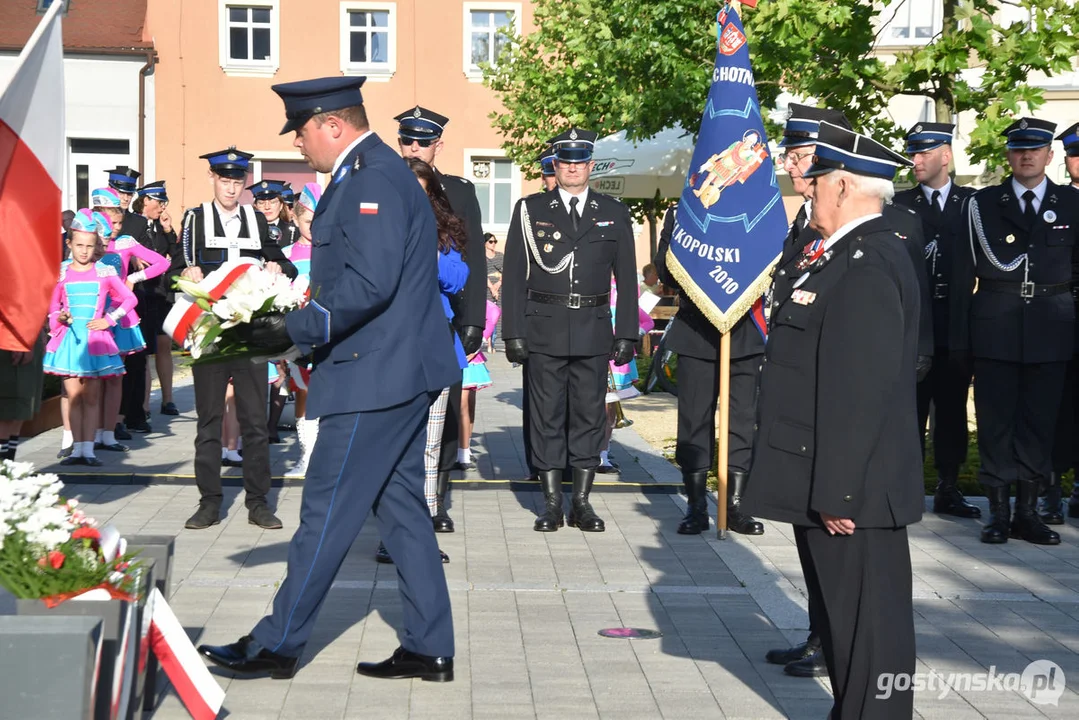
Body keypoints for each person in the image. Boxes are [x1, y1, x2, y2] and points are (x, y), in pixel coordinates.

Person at [198, 76, 459, 682]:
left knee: (325, 508)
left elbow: (370, 283)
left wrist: (297, 327)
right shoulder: (368, 172)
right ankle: (429, 646)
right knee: (401, 512)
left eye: (302, 131)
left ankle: (277, 644)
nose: (300, 143)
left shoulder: (369, 177)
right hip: (394, 369)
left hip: (377, 376)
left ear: (332, 125)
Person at [742, 121, 923, 720]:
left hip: (855, 494)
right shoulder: (841, 255)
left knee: (872, 637)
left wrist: (838, 490)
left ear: (843, 186)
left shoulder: (867, 262)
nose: (808, 192)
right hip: (832, 482)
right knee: (848, 632)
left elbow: (860, 392)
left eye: (816, 182)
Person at [502, 127, 637, 533]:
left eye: (579, 163)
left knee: (588, 417)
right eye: (565, 162)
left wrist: (626, 332)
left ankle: (581, 501)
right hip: (543, 327)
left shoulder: (613, 211)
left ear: (590, 167)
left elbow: (627, 279)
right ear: (555, 167)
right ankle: (550, 503)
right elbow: (513, 276)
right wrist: (513, 331)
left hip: (594, 328)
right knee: (545, 416)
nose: (572, 169)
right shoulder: (531, 209)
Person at [952, 117, 1077, 546]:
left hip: (1052, 327)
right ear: (1008, 155)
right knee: (995, 422)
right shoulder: (982, 204)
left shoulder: (1071, 204)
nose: (1026, 156)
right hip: (994, 326)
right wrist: (959, 339)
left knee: (1039, 424)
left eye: (1035, 149)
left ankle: (1029, 512)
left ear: (1049, 155)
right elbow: (962, 273)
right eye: (1019, 149)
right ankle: (999, 513)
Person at [169, 146, 296, 531]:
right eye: (224, 180)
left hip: (250, 333)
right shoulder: (195, 217)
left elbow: (282, 260)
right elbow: (175, 267)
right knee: (208, 421)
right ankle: (209, 502)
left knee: (255, 422)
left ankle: (258, 502)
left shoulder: (255, 219)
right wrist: (186, 272)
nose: (230, 187)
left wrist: (277, 264)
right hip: (210, 332)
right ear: (213, 179)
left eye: (237, 180)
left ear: (244, 183)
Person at [395, 106, 487, 531]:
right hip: (392, 335)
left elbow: (468, 264)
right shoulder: (377, 192)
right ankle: (402, 511)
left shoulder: (456, 192)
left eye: (422, 142)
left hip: (439, 328)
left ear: (438, 146)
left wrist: (474, 321)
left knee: (441, 425)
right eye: (407, 141)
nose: (414, 148)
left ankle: (436, 500)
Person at [377, 157, 468, 565]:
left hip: (434, 346)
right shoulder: (377, 227)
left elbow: (458, 278)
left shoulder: (442, 232)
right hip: (391, 348)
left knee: (430, 445)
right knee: (394, 445)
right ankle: (391, 534)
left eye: (422, 189)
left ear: (432, 194)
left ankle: (425, 527)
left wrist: (421, 253)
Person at [893, 123, 981, 519]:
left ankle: (949, 485)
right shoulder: (898, 204)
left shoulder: (973, 204)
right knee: (908, 409)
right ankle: (905, 487)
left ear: (946, 155)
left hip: (958, 325)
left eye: (925, 152)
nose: (916, 160)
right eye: (913, 152)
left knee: (951, 411)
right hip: (914, 327)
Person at [44, 210, 138, 467]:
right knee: (74, 396)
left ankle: (89, 449)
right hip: (70, 341)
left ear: (96, 246)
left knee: (92, 396)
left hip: (97, 341)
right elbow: (52, 305)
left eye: (89, 246)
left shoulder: (105, 271)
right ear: (69, 244)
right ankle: (76, 449)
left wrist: (109, 320)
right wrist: (59, 318)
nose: (84, 251)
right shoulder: (61, 272)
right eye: (79, 245)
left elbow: (130, 299)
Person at [282, 182, 320, 479]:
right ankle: (307, 455)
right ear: (294, 219)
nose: (313, 226)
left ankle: (323, 455)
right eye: (307, 220)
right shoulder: (285, 255)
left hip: (327, 334)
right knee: (303, 392)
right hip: (296, 337)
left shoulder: (335, 253)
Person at [131, 181, 180, 417]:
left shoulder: (161, 227)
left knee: (163, 345)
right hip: (141, 293)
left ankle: (168, 400)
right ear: (145, 201)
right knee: (143, 349)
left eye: (164, 202)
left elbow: (176, 254)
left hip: (161, 293)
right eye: (159, 202)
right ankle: (142, 404)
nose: (162, 207)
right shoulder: (132, 224)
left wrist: (169, 230)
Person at [1055, 123, 1079, 519]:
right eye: (1074, 153)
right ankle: (1052, 485)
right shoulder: (1056, 203)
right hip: (1060, 316)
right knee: (1059, 405)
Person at [248, 179, 299, 248]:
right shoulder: (249, 231)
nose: (267, 207)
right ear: (256, 206)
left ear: (281, 206)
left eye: (272, 202)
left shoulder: (294, 231)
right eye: (261, 203)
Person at [484, 232, 503, 354]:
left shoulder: (500, 256)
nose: (493, 244)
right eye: (491, 241)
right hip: (487, 288)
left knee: (498, 316)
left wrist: (498, 284)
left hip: (499, 287)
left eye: (495, 241)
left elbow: (506, 270)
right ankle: (489, 343)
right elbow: (482, 273)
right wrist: (491, 287)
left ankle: (495, 342)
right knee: (488, 316)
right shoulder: (481, 257)